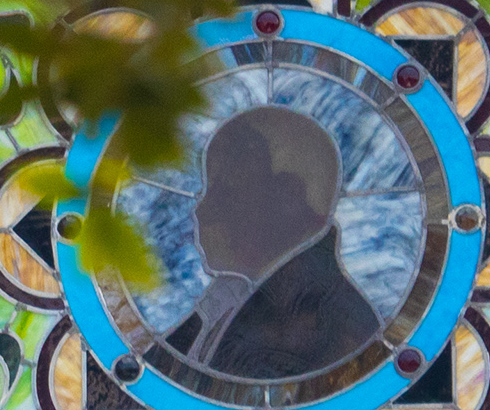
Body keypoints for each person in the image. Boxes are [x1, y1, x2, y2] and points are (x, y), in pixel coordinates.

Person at [163, 105, 385, 383]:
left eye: (222, 193)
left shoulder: (312, 317)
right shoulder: (227, 296)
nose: (200, 210)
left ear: (261, 211)